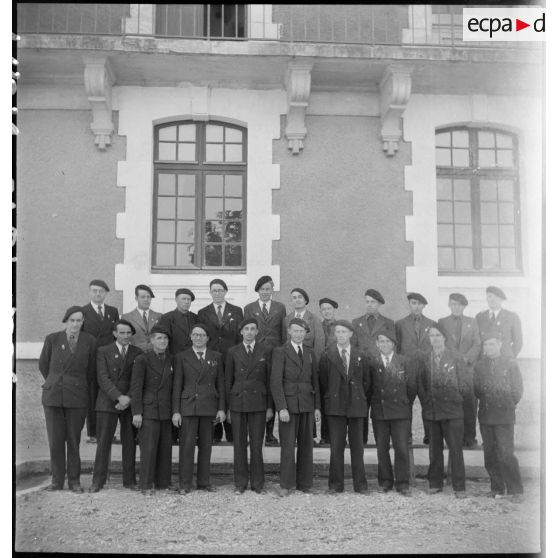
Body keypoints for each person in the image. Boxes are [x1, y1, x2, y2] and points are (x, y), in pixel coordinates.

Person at [38, 306, 97, 492]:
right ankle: (56, 481)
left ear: (83, 322)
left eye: (79, 320)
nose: (75, 324)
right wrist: (56, 381)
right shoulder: (53, 339)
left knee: (73, 440)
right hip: (53, 396)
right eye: (72, 320)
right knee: (55, 441)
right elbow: (44, 365)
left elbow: (91, 371)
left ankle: (74, 481)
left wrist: (75, 384)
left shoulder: (90, 341)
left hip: (77, 397)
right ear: (66, 321)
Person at [89, 319, 143, 492]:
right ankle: (98, 481)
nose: (126, 336)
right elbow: (102, 378)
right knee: (103, 443)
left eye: (128, 333)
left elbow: (138, 380)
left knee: (130, 443)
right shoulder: (103, 351)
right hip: (107, 401)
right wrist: (119, 397)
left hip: (129, 403)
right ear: (114, 333)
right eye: (122, 333)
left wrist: (128, 399)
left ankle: (129, 481)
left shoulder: (138, 352)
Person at [417, 324, 470, 498]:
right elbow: (421, 384)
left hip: (452, 412)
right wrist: (427, 401)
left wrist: (453, 397)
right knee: (434, 450)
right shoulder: (425, 358)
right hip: (432, 412)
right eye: (432, 335)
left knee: (455, 450)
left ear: (444, 338)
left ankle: (459, 487)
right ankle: (435, 483)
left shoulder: (456, 358)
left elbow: (464, 384)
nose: (435, 339)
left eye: (438, 335)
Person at [172, 324, 226, 493]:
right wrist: (176, 411)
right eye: (195, 335)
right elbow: (177, 385)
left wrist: (221, 408)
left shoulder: (216, 356)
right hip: (189, 406)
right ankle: (185, 484)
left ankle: (204, 482)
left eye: (202, 335)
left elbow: (221, 384)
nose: (198, 338)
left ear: (208, 338)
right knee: (187, 447)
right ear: (190, 337)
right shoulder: (181, 357)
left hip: (209, 406)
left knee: (206, 447)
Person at [318, 320, 370, 494]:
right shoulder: (327, 355)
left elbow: (366, 382)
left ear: (351, 334)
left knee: (357, 448)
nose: (340, 335)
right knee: (336, 448)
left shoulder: (360, 355)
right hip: (335, 407)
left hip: (356, 406)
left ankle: (360, 485)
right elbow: (324, 382)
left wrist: (358, 397)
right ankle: (335, 485)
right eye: (338, 332)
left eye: (344, 332)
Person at [271, 318, 321, 497]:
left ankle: (305, 483)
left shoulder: (309, 352)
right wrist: (281, 408)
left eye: (302, 331)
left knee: (307, 446)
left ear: (305, 333)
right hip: (289, 406)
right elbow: (276, 382)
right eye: (296, 331)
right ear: (289, 332)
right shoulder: (280, 351)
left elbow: (315, 381)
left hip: (307, 404)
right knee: (288, 446)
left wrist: (317, 407)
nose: (299, 334)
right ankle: (285, 484)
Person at [225, 318, 273, 494]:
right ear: (241, 332)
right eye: (246, 329)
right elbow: (228, 381)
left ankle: (258, 484)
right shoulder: (232, 351)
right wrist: (228, 407)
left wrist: (269, 407)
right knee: (239, 445)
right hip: (238, 402)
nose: (250, 332)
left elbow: (269, 380)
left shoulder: (265, 350)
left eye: (253, 329)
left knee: (256, 445)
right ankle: (240, 483)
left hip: (259, 403)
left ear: (257, 332)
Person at [474, 333, 524, 502]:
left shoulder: (510, 364)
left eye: (492, 344)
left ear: (500, 345)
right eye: (486, 345)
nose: (488, 348)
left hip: (504, 416)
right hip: (486, 416)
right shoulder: (479, 366)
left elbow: (517, 390)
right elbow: (477, 390)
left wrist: (506, 404)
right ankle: (497, 488)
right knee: (490, 454)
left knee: (506, 454)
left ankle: (515, 490)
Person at [369, 330, 416, 496]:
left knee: (401, 448)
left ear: (394, 344)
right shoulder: (372, 362)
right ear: (377, 344)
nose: (385, 344)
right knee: (382, 449)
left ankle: (402, 483)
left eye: (388, 341)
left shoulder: (404, 362)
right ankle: (385, 481)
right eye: (381, 341)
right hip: (380, 411)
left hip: (400, 411)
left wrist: (404, 403)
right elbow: (369, 387)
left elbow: (411, 387)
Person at [197, 279, 243, 443]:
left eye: (220, 290)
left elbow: (240, 336)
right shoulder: (203, 312)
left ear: (225, 292)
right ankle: (215, 432)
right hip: (211, 359)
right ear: (210, 292)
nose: (217, 293)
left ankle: (231, 432)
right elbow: (201, 336)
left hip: (230, 358)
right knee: (213, 390)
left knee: (230, 390)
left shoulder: (236, 311)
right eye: (214, 290)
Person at [130, 325, 174, 494]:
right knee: (148, 449)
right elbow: (136, 387)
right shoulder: (143, 359)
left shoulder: (171, 359)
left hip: (166, 409)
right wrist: (137, 412)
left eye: (165, 338)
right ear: (152, 340)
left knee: (165, 448)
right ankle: (146, 484)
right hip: (149, 410)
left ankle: (163, 482)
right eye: (159, 338)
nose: (163, 341)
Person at [243, 275, 286, 445]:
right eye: (262, 289)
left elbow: (283, 332)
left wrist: (282, 351)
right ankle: (255, 431)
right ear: (258, 290)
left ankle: (269, 433)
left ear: (272, 290)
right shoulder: (249, 308)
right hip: (257, 353)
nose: (265, 292)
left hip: (275, 353)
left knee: (272, 388)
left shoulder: (280, 307)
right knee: (257, 387)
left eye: (268, 289)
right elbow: (247, 331)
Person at [352, 288, 395, 445]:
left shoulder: (388, 323)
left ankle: (381, 440)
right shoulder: (356, 322)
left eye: (373, 302)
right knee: (362, 405)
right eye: (367, 302)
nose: (369, 305)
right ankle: (361, 440)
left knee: (379, 404)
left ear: (379, 304)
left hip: (379, 369)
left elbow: (392, 346)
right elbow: (353, 346)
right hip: (362, 370)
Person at [438, 293, 481, 447]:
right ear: (449, 305)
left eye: (459, 305)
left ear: (464, 306)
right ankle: (453, 438)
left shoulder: (472, 322)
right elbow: (441, 343)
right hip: (450, 369)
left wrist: (466, 358)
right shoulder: (442, 322)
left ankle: (470, 437)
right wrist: (452, 359)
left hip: (468, 370)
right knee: (451, 403)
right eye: (453, 304)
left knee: (470, 404)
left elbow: (477, 343)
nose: (456, 307)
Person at [81, 279, 120, 443]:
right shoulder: (83, 311)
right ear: (90, 292)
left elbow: (115, 335)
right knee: (92, 396)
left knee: (109, 394)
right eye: (95, 291)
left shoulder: (112, 311)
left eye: (101, 291)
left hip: (108, 359)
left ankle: (109, 433)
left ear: (106, 294)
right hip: (91, 359)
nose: (98, 294)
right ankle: (93, 433)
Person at [395, 292, 437, 444]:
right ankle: (407, 436)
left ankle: (430, 436)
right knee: (406, 403)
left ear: (424, 306)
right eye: (413, 303)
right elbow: (397, 348)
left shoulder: (432, 323)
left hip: (426, 370)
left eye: (419, 304)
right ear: (409, 305)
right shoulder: (400, 324)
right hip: (408, 371)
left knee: (428, 403)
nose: (416, 306)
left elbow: (435, 346)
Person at [316, 297, 339, 444]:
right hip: (319, 368)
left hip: (334, 369)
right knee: (322, 402)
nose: (326, 311)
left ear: (334, 310)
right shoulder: (317, 326)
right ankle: (324, 436)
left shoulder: (340, 327)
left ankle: (336, 436)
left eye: (329, 308)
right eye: (323, 309)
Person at [475, 286, 523, 358]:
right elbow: (476, 341)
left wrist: (510, 358)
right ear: (486, 299)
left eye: (496, 297)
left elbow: (518, 342)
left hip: (504, 359)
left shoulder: (512, 317)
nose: (492, 300)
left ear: (501, 300)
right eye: (490, 296)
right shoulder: (480, 317)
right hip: (484, 360)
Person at [283, 288, 326, 357]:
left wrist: (314, 361)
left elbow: (319, 345)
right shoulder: (286, 319)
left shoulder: (314, 319)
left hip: (308, 359)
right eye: (294, 298)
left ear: (305, 300)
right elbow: (284, 341)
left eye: (300, 297)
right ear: (291, 301)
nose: (297, 300)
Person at [121, 284, 162, 352]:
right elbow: (124, 340)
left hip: (155, 354)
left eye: (148, 297)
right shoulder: (127, 317)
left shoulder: (159, 316)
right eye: (143, 297)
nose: (146, 299)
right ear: (136, 298)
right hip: (135, 354)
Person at [158, 288, 198, 356]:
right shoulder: (166, 318)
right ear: (176, 300)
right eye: (183, 299)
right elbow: (163, 341)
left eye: (188, 299)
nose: (186, 302)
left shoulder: (195, 317)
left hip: (193, 357)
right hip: (174, 357)